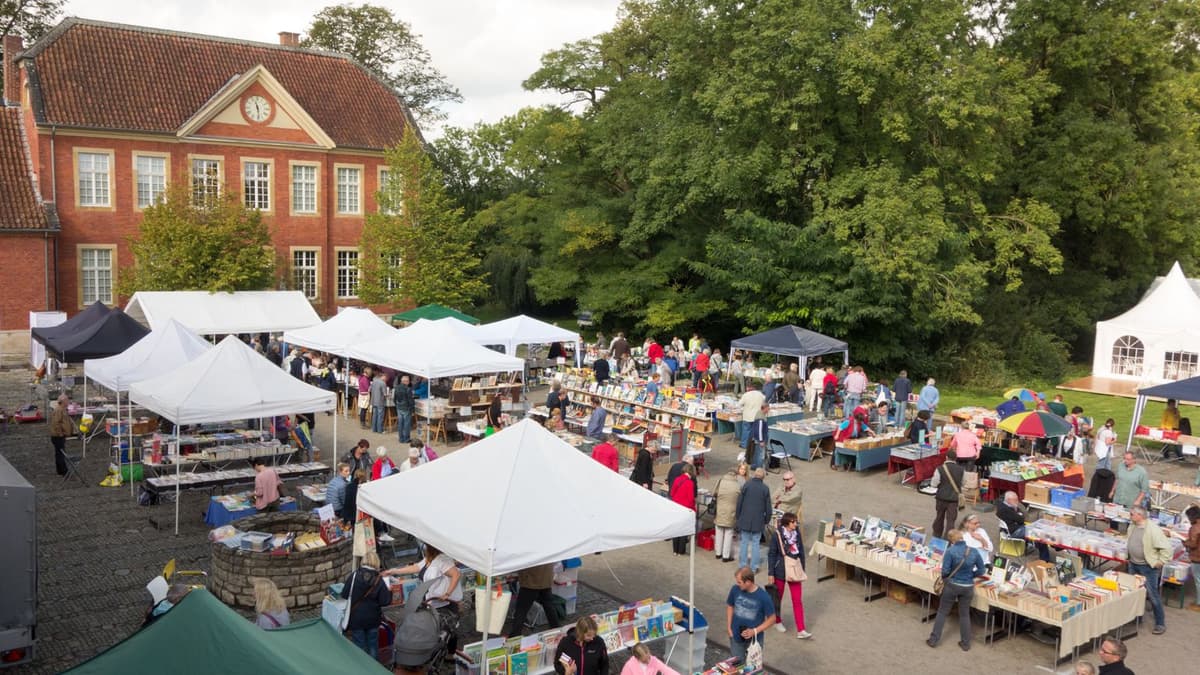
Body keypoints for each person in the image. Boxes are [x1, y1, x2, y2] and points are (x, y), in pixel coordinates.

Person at [926, 529, 985, 651]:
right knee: (964, 615)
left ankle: (934, 639)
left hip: (952, 586)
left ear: (951, 540)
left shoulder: (950, 551)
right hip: (968, 587)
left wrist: (947, 579)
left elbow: (946, 572)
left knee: (942, 612)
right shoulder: (973, 551)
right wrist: (971, 576)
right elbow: (981, 570)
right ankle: (965, 643)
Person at [385, 543, 462, 628]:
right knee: (435, 628)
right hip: (432, 601)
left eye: (426, 546)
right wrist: (393, 571)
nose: (424, 548)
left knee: (446, 628)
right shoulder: (429, 559)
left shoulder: (442, 560)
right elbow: (416, 567)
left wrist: (447, 594)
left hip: (444, 603)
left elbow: (456, 574)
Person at [1126, 505, 1171, 635]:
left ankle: (1160, 623)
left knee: (1153, 595)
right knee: (1135, 592)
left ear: (1140, 515)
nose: (1130, 516)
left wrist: (1160, 562)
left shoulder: (1153, 530)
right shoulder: (1133, 526)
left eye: (1132, 514)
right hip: (1133, 564)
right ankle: (1136, 618)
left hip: (1147, 567)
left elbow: (1167, 549)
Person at [341, 550, 392, 658]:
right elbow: (385, 601)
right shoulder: (379, 580)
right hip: (373, 619)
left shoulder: (354, 576)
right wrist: (389, 591)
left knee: (359, 645)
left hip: (356, 619)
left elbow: (344, 594)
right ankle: (373, 668)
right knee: (373, 645)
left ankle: (362, 667)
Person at [768, 512, 810, 639]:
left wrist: (802, 568)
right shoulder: (777, 535)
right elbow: (772, 554)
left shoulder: (797, 533)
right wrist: (771, 573)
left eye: (796, 522)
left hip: (794, 569)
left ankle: (801, 629)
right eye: (793, 522)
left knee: (797, 600)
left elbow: (801, 551)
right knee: (778, 598)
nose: (796, 524)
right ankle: (777, 620)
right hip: (780, 570)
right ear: (787, 523)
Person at [725, 567, 775, 662]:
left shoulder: (764, 597)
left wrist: (754, 631)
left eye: (739, 582)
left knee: (753, 668)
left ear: (748, 582)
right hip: (736, 636)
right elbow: (730, 605)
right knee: (735, 665)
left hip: (754, 640)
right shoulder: (735, 590)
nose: (737, 584)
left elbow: (772, 619)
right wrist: (729, 628)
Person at [501, 563, 561, 637]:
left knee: (521, 610)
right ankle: (557, 630)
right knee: (549, 607)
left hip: (530, 582)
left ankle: (515, 636)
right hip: (546, 579)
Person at [996, 491, 1051, 561]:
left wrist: (1017, 513)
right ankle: (1045, 558)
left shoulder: (1008, 505)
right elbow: (1021, 519)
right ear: (1009, 500)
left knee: (1038, 530)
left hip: (1018, 528)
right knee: (1038, 534)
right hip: (1014, 531)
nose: (1017, 501)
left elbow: (1021, 515)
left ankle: (1043, 549)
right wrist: (1017, 512)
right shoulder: (1004, 509)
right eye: (1015, 500)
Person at [736, 468, 772, 571]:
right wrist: (767, 520)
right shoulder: (765, 488)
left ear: (754, 475)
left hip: (745, 518)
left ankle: (742, 565)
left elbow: (740, 502)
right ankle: (754, 567)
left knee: (744, 542)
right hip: (758, 520)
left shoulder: (747, 485)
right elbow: (768, 507)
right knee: (756, 544)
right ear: (763, 477)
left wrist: (738, 516)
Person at [929, 452, 965, 539]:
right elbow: (964, 483)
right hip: (953, 499)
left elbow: (934, 483)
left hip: (941, 497)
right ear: (955, 458)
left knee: (939, 517)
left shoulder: (940, 468)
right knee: (951, 520)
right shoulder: (961, 469)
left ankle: (937, 534)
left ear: (946, 457)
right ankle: (948, 539)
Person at [713, 467, 742, 563]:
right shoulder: (737, 485)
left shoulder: (720, 481)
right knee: (728, 534)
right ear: (735, 475)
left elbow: (714, 493)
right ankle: (725, 556)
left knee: (719, 531)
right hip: (731, 512)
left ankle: (718, 553)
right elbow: (740, 498)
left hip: (720, 510)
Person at [669, 464, 697, 555]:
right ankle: (681, 550)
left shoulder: (677, 479)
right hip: (685, 508)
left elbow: (672, 493)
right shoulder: (690, 483)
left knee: (676, 529)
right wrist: (693, 509)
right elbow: (691, 499)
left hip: (676, 507)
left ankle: (675, 550)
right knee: (683, 530)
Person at [49, 393, 75, 476]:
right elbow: (56, 423)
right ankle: (63, 471)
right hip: (57, 436)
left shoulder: (62, 409)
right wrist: (60, 433)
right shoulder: (59, 410)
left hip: (59, 435)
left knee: (59, 453)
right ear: (63, 401)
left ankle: (60, 470)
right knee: (61, 454)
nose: (68, 401)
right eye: (67, 400)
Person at [1183, 505, 1200, 612]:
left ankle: (1199, 604)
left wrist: (1185, 542)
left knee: (1198, 580)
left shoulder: (1195, 528)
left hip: (1197, 557)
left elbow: (1193, 544)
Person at [747, 403, 769, 469]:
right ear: (764, 408)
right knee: (760, 455)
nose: (768, 410)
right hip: (760, 439)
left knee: (756, 453)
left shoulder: (759, 415)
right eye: (768, 408)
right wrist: (761, 440)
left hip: (757, 438)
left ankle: (754, 466)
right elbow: (759, 430)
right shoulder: (761, 418)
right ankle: (759, 468)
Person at [394, 375, 415, 443]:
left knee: (400, 423)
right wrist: (412, 410)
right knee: (406, 424)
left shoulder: (396, 387)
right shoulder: (408, 389)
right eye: (408, 381)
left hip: (399, 407)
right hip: (406, 408)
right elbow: (410, 401)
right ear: (406, 381)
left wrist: (397, 405)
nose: (409, 382)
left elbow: (394, 398)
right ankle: (406, 439)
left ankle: (401, 438)